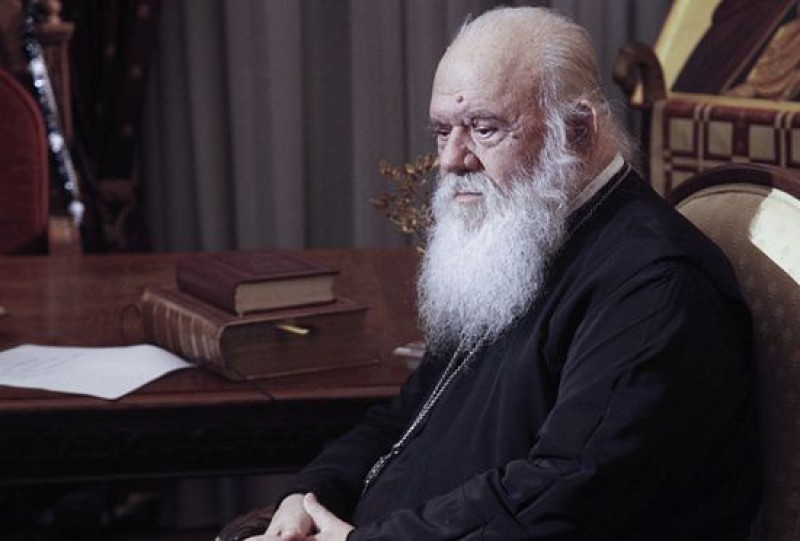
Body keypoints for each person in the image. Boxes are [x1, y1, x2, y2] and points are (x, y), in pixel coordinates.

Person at [225, 6, 760, 540]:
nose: (452, 159)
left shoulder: (657, 285)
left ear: (576, 132)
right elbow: (407, 419)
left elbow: (569, 491)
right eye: (442, 132)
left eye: (484, 129)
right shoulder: (519, 239)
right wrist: (308, 497)